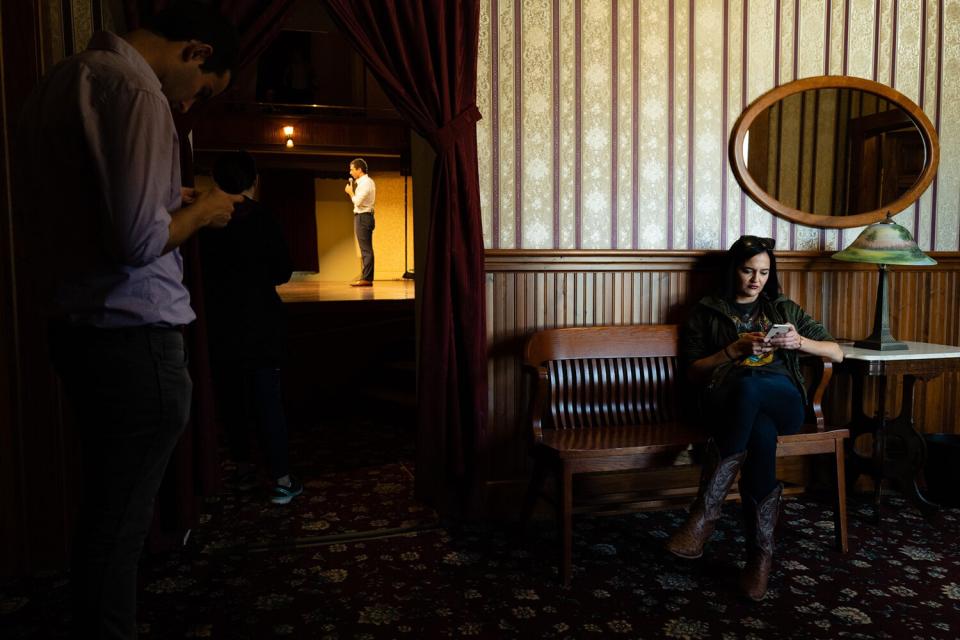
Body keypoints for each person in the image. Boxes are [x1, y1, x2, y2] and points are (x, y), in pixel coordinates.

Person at [16, 2, 242, 637]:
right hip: (133, 336)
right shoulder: (139, 90)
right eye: (203, 88)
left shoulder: (61, 80)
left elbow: (88, 213)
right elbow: (137, 243)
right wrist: (204, 213)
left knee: (104, 513)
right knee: (119, 527)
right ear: (196, 52)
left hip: (75, 326)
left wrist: (172, 202)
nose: (191, 105)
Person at [665, 235, 843, 601]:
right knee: (758, 427)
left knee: (753, 391)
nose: (755, 279)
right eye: (748, 270)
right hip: (727, 402)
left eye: (763, 272)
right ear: (734, 270)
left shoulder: (783, 309)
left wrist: (799, 343)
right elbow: (693, 372)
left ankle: (705, 513)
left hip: (784, 401)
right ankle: (759, 558)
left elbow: (836, 352)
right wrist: (732, 351)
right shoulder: (706, 311)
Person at [199, 151, 301, 505]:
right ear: (253, 181)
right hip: (260, 323)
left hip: (220, 324)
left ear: (216, 180)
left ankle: (243, 470)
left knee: (232, 401)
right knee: (267, 402)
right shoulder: (262, 218)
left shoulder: (203, 220)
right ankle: (281, 479)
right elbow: (282, 271)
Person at [344, 157, 376, 286]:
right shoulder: (364, 183)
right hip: (362, 216)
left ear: (359, 170)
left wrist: (350, 193)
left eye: (352, 169)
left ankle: (367, 278)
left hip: (363, 217)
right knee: (365, 249)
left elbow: (357, 201)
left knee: (366, 250)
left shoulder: (366, 183)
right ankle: (366, 277)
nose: (350, 172)